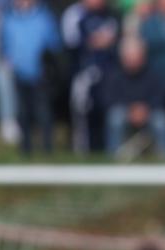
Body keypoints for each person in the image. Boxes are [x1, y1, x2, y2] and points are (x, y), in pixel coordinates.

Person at [1, 0, 61, 155]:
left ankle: (48, 148)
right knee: (22, 112)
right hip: (17, 73)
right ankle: (25, 148)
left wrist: (47, 63)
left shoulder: (44, 17)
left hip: (40, 73)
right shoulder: (9, 19)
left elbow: (54, 43)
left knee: (43, 112)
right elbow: (5, 45)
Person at [102, 36, 165, 159]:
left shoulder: (155, 74)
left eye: (136, 56)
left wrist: (146, 109)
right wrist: (131, 110)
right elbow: (109, 99)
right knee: (115, 118)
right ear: (123, 58)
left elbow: (161, 96)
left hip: (150, 112)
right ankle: (114, 157)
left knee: (162, 121)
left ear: (143, 56)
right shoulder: (113, 76)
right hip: (126, 112)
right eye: (129, 57)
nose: (133, 60)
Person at [67, 0, 120, 154]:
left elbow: (115, 42)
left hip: (110, 74)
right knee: (83, 111)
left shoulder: (113, 17)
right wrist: (100, 41)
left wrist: (103, 41)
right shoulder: (79, 18)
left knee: (108, 111)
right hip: (86, 73)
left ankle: (109, 149)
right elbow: (79, 44)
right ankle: (84, 150)